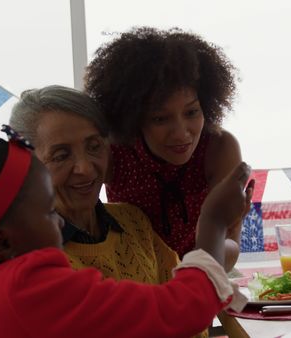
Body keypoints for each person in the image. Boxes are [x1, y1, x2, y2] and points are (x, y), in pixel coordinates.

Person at [0, 107, 251, 338]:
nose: (58, 222)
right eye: (47, 212)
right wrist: (213, 221)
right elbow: (181, 309)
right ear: (2, 243)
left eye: (95, 147)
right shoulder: (30, 290)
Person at [84, 26, 243, 270]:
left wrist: (194, 270)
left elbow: (230, 245)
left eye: (191, 112)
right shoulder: (115, 152)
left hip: (203, 281)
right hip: (136, 286)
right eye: (160, 118)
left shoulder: (219, 148)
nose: (181, 133)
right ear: (133, 118)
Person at [9, 85, 179, 284]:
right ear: (28, 165)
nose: (86, 169)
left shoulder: (134, 221)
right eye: (61, 156)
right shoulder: (27, 259)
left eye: (94, 147)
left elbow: (184, 302)